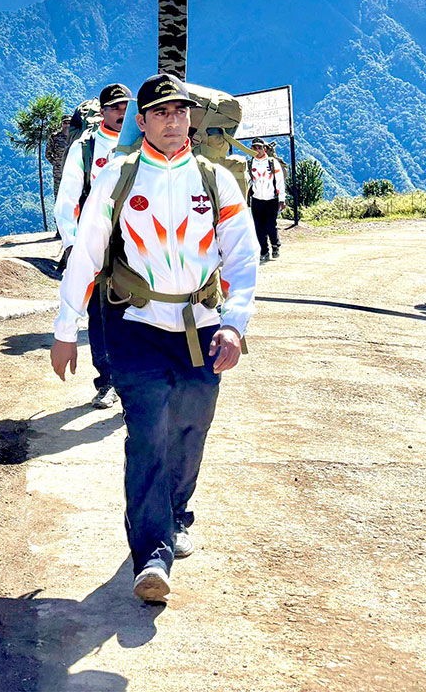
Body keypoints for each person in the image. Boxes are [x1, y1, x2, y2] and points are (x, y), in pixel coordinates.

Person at [50, 73, 258, 604]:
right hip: (134, 325)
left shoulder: (216, 180)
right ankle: (152, 555)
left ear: (189, 118)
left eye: (179, 111)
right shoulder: (118, 177)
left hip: (201, 324)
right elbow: (89, 251)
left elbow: (242, 255)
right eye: (160, 112)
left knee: (191, 426)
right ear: (140, 122)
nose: (172, 120)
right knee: (146, 432)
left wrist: (234, 323)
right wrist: (66, 329)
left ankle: (176, 511)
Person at [52, 83, 132, 409]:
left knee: (140, 311)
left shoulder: (143, 144)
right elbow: (67, 199)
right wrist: (73, 242)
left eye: (126, 105)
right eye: (114, 107)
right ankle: (108, 381)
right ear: (103, 111)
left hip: (136, 244)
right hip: (95, 243)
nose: (121, 112)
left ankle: (139, 380)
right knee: (100, 316)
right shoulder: (86, 148)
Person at [247, 139, 287, 262]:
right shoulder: (250, 164)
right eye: (254, 148)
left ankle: (275, 245)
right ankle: (264, 251)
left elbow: (279, 181)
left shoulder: (272, 163)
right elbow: (248, 182)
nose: (257, 150)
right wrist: (247, 198)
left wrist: (282, 199)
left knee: (270, 225)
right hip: (257, 199)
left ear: (264, 149)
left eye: (259, 147)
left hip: (271, 199)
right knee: (259, 227)